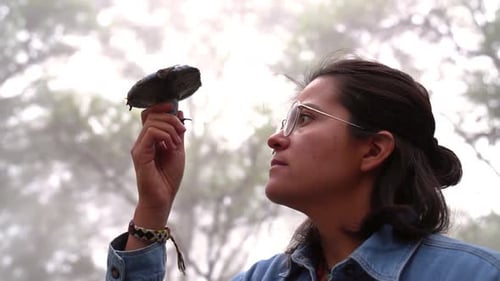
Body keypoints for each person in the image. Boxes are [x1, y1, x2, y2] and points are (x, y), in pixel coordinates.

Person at [106, 57, 500, 281]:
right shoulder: (262, 279)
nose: (275, 140)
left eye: (306, 119)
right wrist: (153, 209)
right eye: (285, 123)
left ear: (373, 150)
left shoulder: (472, 275)